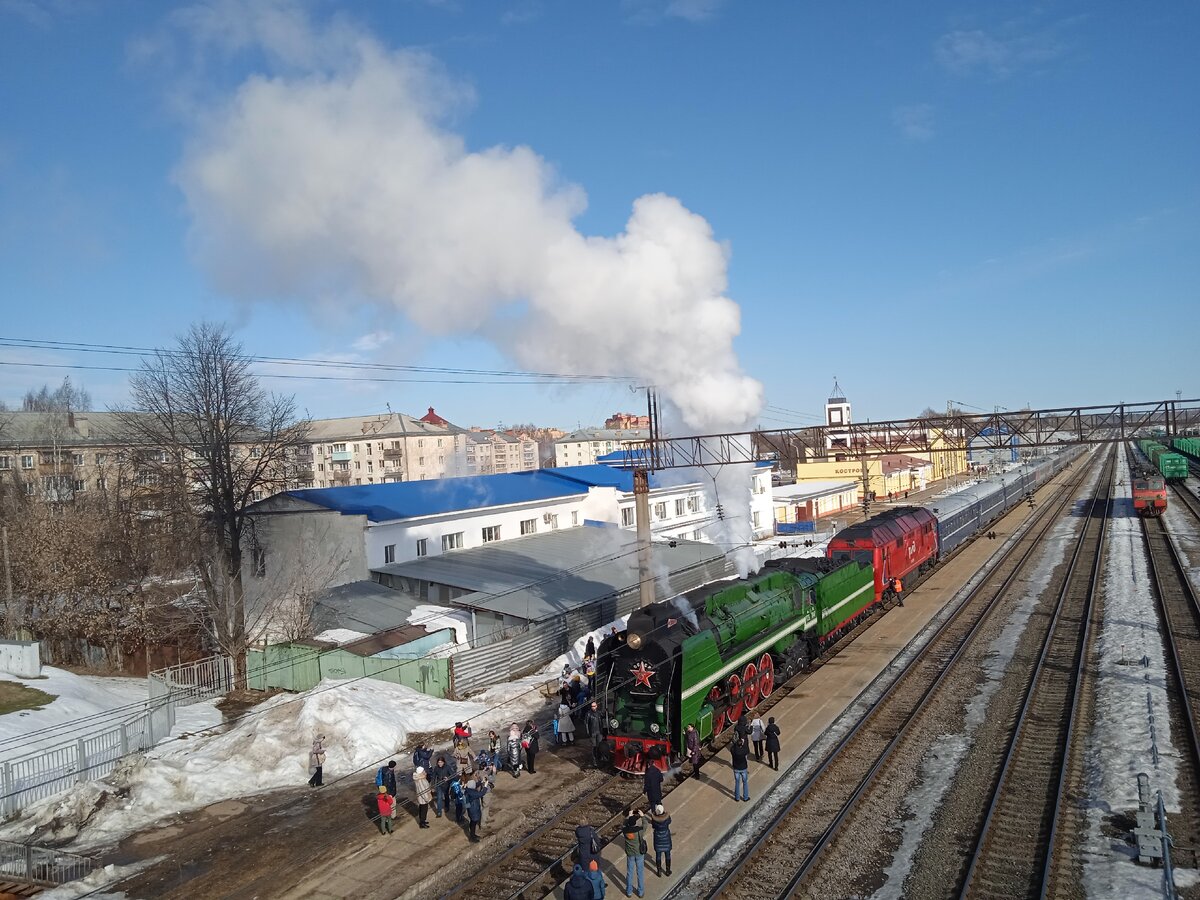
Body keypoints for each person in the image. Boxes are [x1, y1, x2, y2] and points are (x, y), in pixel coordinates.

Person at [622, 808, 647, 898]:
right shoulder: (639, 831)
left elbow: (623, 824)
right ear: (635, 823)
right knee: (640, 872)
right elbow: (645, 825)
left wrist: (629, 816)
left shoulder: (625, 831)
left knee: (629, 872)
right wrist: (642, 816)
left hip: (630, 854)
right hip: (639, 853)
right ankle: (640, 892)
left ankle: (629, 891)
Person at [649, 804, 673, 877]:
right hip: (666, 837)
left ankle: (659, 870)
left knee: (658, 855)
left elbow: (653, 825)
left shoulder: (654, 819)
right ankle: (668, 870)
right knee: (667, 854)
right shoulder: (666, 818)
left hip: (658, 838)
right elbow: (670, 821)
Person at [464, 778, 487, 842]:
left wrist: (481, 782)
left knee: (472, 821)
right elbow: (481, 794)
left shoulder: (468, 790)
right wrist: (485, 786)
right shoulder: (472, 793)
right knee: (474, 822)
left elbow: (475, 785)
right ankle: (472, 837)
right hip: (473, 809)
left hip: (471, 809)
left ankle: (473, 834)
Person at [585, 701, 606, 768]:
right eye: (592, 706)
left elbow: (604, 716)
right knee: (594, 747)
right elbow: (586, 723)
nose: (593, 707)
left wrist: (606, 712)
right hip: (592, 733)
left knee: (599, 746)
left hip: (599, 732)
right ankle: (595, 761)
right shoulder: (588, 714)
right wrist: (588, 732)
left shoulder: (599, 713)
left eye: (594, 706)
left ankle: (600, 758)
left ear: (596, 706)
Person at [730, 734, 750, 801]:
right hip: (743, 768)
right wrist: (743, 743)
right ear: (741, 745)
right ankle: (745, 797)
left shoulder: (733, 750)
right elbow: (747, 749)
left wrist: (736, 743)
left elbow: (732, 747)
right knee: (745, 783)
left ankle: (737, 797)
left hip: (736, 768)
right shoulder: (744, 751)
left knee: (737, 783)